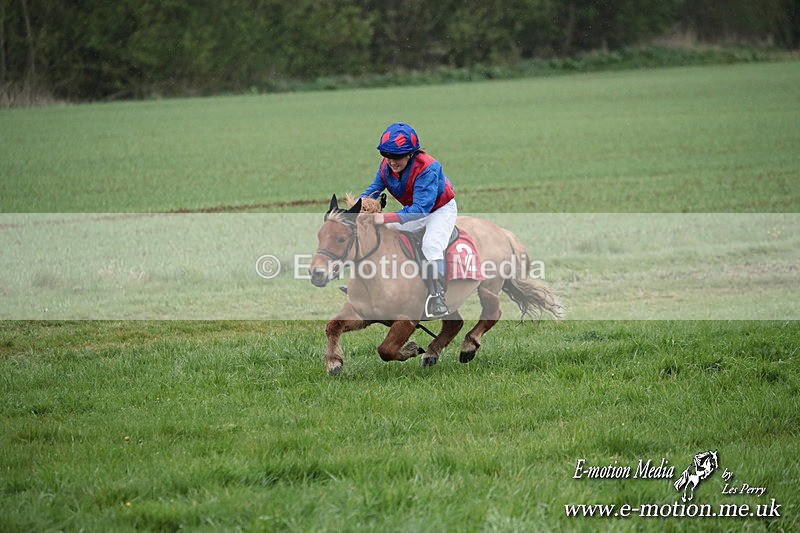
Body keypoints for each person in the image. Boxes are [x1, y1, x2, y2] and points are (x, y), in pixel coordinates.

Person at [361, 122, 457, 318]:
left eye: (397, 156)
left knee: (431, 245)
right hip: (414, 209)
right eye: (387, 155)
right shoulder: (386, 166)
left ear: (411, 154)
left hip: (439, 210)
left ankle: (438, 296)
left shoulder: (427, 168)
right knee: (383, 233)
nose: (391, 161)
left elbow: (421, 210)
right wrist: (354, 210)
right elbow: (373, 191)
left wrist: (383, 217)